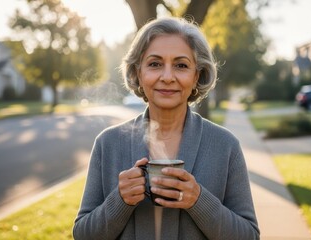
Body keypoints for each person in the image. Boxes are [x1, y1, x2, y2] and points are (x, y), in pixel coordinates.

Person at [73, 17, 260, 240]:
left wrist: (198, 200)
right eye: (155, 64)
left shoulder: (225, 145)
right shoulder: (108, 144)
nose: (168, 77)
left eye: (181, 65)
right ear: (138, 73)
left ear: (196, 76)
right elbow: (83, 235)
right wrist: (119, 201)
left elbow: (249, 236)